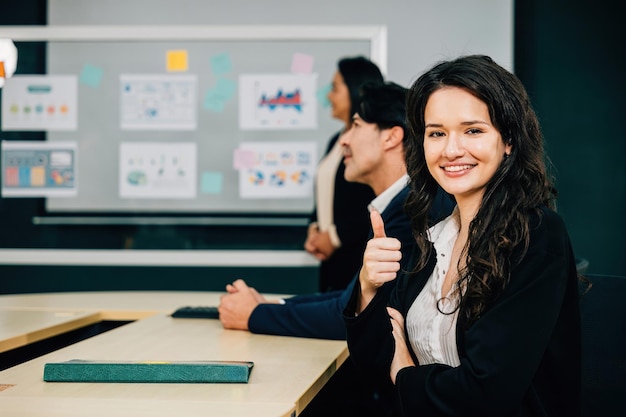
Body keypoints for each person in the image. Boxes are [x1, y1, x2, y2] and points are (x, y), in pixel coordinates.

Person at [344, 55, 581, 417]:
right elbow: (376, 368)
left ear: (509, 141)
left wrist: (407, 375)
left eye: (473, 130)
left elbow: (484, 394)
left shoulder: (535, 235)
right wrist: (367, 287)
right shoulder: (432, 234)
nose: (451, 150)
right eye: (437, 133)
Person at [218, 82, 454, 341]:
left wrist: (255, 315)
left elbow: (351, 315)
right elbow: (351, 296)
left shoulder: (413, 211)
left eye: (355, 125)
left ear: (390, 136)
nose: (343, 139)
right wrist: (274, 305)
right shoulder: (402, 203)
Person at [306, 56, 383, 292]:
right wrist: (314, 227)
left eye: (335, 88)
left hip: (358, 256)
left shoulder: (374, 144)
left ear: (355, 90)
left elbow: (376, 201)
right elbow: (326, 194)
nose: (329, 96)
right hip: (330, 261)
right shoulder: (335, 141)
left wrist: (335, 237)